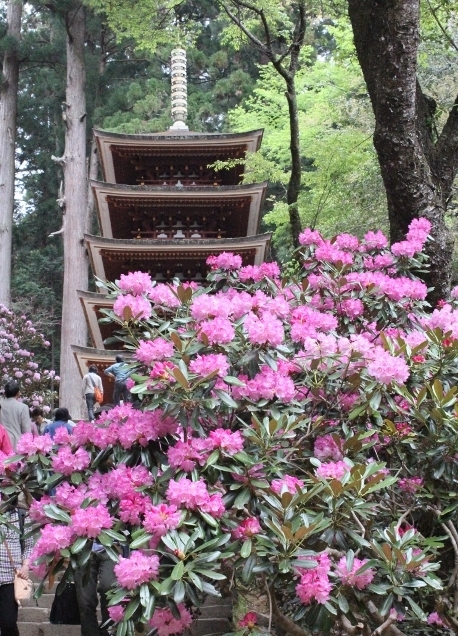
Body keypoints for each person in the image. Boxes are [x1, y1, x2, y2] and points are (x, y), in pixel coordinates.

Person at [0, 501, 34, 636]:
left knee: (8, 623)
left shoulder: (21, 515)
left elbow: (29, 545)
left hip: (10, 579)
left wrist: (26, 566)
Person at [74, 546, 116, 636]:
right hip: (83, 547)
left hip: (112, 546)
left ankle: (108, 631)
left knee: (109, 588)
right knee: (85, 601)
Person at [0, 381, 32, 451]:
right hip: (16, 445)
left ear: (5, 393)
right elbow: (26, 431)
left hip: (1, 443)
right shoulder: (23, 407)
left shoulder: (1, 405)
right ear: (18, 393)